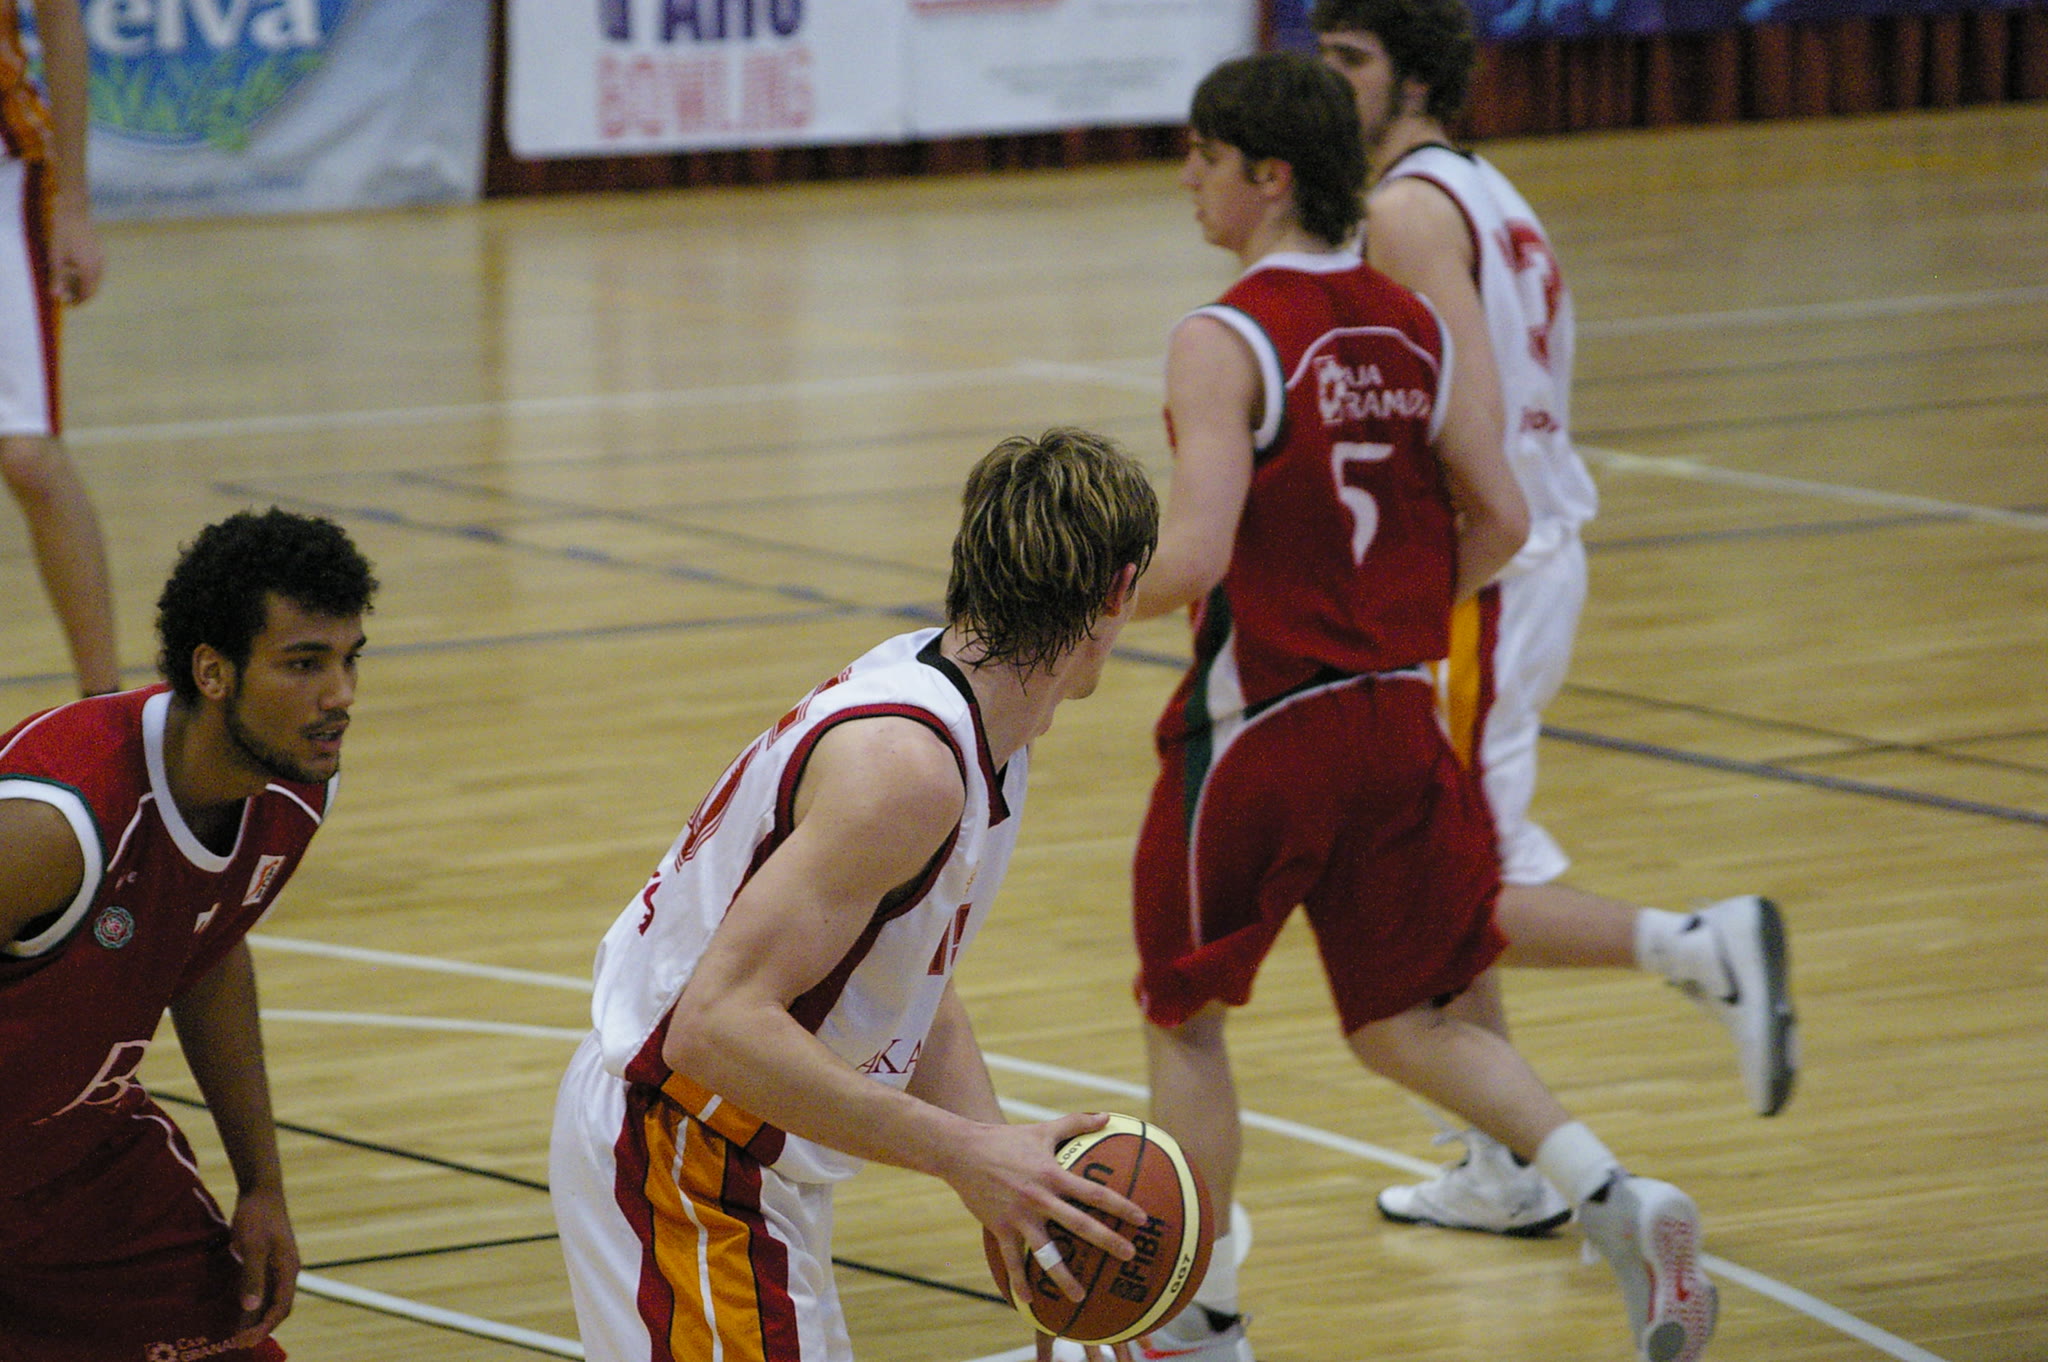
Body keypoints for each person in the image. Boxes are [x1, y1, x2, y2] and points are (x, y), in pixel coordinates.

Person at [1127, 53, 1715, 1362]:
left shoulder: (1223, 335)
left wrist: (1076, 611)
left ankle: (1196, 1324)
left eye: (1202, 156)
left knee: (1184, 1015)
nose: (1186, 179)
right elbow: (1501, 514)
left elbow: (1197, 554)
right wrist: (1385, 612)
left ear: (1267, 175)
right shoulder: (1412, 326)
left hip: (1264, 724)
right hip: (1399, 716)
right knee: (1408, 1019)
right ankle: (1617, 1198)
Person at [1310, 0, 1797, 1236]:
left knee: (1443, 886)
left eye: (1350, 60)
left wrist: (1427, 575)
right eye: (1319, 58)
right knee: (1447, 865)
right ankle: (1497, 1164)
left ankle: (1694, 945)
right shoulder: (1487, 191)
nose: (1328, 81)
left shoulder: (1406, 209)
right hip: (1520, 558)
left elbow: (1463, 407)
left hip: (1488, 570)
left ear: (1414, 77)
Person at [550, 428, 1163, 1362]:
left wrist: (1011, 1187)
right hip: (684, 1144)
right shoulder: (908, 767)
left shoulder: (982, 719)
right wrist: (962, 1153)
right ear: (1120, 591)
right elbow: (712, 1027)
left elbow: (906, 982)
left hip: (738, 1150)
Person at [0, 507, 377, 1362]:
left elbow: (205, 951)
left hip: (80, 1165)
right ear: (213, 671)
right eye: (304, 664)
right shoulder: (52, 828)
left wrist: (262, 1182)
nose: (341, 696)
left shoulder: (292, 789)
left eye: (350, 658)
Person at [1, 0, 117, 696]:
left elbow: (61, 22)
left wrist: (73, 204)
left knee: (27, 453)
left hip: (5, 174)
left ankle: (106, 712)